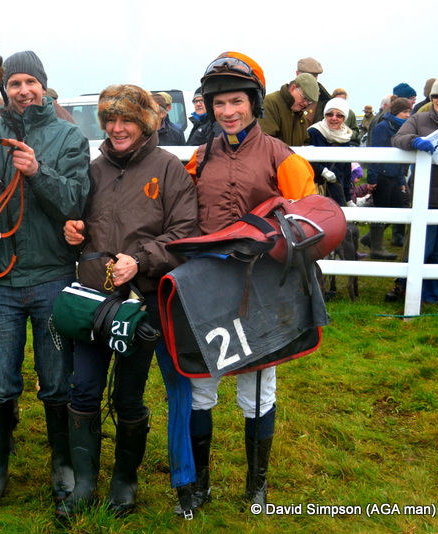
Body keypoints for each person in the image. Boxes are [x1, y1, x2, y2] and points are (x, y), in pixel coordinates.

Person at [0, 50, 90, 512]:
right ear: (5, 88)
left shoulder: (69, 137)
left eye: (31, 82)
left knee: (56, 381)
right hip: (0, 280)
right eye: (15, 83)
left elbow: (75, 202)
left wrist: (37, 173)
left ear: (43, 85)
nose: (23, 90)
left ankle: (62, 464)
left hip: (51, 277)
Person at [173, 51, 316, 517]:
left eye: (236, 101)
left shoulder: (283, 156)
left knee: (257, 388)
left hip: (262, 285)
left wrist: (274, 240)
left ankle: (257, 485)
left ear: (253, 103)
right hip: (207, 284)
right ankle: (199, 485)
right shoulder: (200, 156)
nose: (227, 111)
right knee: (200, 383)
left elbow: (311, 219)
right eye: (218, 104)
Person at [57, 84, 197, 518]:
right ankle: (83, 483)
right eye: (110, 120)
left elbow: (185, 234)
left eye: (127, 120)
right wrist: (73, 232)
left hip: (142, 303)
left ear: (145, 124)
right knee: (84, 390)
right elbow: (76, 218)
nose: (117, 128)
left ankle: (124, 479)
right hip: (92, 301)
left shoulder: (170, 169)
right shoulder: (92, 169)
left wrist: (138, 261)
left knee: (129, 396)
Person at [391, 76, 438, 303]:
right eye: (436, 95)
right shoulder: (419, 118)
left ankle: (430, 297)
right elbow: (398, 138)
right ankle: (410, 292)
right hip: (424, 195)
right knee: (422, 247)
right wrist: (415, 141)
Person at [362, 98, 413, 260]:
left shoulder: (401, 128)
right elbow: (375, 154)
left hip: (393, 175)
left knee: (397, 209)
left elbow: (398, 158)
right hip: (382, 176)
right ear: (395, 111)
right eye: (405, 111)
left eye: (409, 111)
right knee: (382, 211)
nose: (408, 114)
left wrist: (401, 181)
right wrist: (372, 179)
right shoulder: (382, 127)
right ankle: (376, 248)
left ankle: (370, 238)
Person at [307, 97, 355, 206]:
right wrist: (322, 171)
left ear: (345, 118)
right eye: (330, 114)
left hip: (338, 189)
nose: (334, 118)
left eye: (339, 115)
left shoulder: (345, 137)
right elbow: (306, 159)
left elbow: (346, 170)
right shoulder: (314, 132)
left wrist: (348, 198)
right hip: (319, 188)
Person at [259, 73, 319, 145]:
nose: (306, 103)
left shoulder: (300, 115)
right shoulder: (269, 103)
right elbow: (266, 139)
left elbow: (305, 141)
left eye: (309, 101)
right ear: (293, 88)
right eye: (304, 97)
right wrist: (290, 153)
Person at [296, 57, 331, 126]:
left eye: (314, 76)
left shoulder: (325, 101)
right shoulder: (282, 100)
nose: (310, 79)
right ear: (297, 74)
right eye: (307, 75)